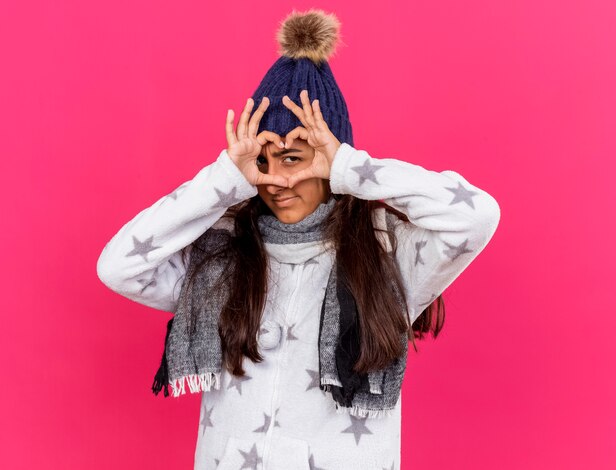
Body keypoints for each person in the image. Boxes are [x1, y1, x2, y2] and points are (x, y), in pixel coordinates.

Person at [96, 8, 501, 470]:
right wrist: (223, 180)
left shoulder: (390, 252)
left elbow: (478, 215)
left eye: (294, 158)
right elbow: (118, 266)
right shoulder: (223, 253)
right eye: (261, 162)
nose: (276, 181)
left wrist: (350, 168)